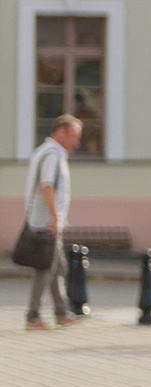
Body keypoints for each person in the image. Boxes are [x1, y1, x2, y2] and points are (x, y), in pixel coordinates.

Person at [22, 114, 83, 330]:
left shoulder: (45, 152)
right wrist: (55, 217)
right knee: (46, 268)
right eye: (74, 136)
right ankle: (33, 316)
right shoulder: (52, 155)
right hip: (46, 222)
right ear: (60, 132)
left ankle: (61, 312)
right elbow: (46, 186)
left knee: (57, 267)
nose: (77, 142)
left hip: (43, 219)